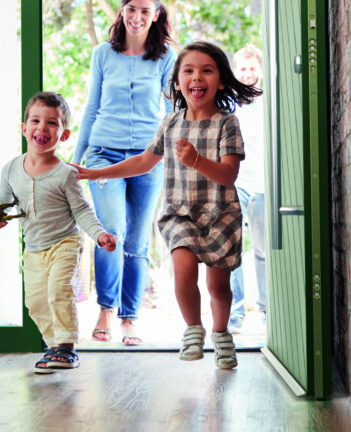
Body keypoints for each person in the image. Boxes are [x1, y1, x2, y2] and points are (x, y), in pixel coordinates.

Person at [74, 41, 263, 369]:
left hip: (221, 213)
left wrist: (196, 160)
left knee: (218, 286)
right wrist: (96, 171)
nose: (196, 77)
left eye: (207, 70)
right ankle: (193, 329)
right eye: (188, 71)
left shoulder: (227, 123)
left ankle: (221, 333)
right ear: (176, 82)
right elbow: (144, 162)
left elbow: (229, 174)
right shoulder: (170, 124)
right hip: (181, 213)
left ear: (220, 80)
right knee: (184, 270)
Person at [0, 91, 117, 374]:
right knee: (36, 301)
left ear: (64, 135)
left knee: (58, 291)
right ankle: (53, 345)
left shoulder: (66, 173)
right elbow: (1, 202)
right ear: (24, 129)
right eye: (36, 121)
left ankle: (66, 348)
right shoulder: (11, 169)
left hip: (64, 242)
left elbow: (81, 211)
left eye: (52, 123)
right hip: (33, 248)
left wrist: (99, 234)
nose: (42, 127)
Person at [71, 0, 176, 346]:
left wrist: (174, 154)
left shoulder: (165, 58)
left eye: (145, 11)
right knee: (111, 232)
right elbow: (92, 106)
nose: (137, 17)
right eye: (131, 8)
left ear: (156, 14)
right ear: (122, 10)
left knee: (137, 241)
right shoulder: (103, 53)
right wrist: (78, 158)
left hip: (149, 158)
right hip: (103, 155)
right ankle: (105, 310)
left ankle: (129, 317)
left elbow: (175, 109)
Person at [228, 43, 267, 333]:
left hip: (265, 184)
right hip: (236, 183)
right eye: (243, 68)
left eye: (253, 68)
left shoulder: (270, 102)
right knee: (233, 250)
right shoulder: (229, 105)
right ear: (235, 71)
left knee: (265, 251)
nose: (248, 73)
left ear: (260, 71)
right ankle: (235, 314)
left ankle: (266, 310)